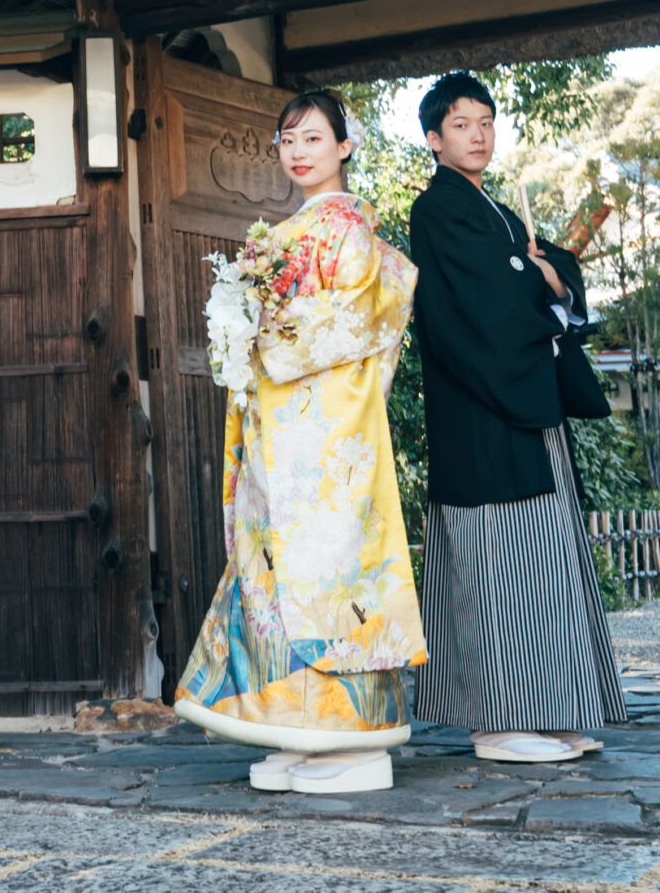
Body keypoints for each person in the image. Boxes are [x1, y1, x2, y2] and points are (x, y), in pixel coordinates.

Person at [176, 90, 424, 795]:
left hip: (326, 436)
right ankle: (294, 727)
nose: (298, 151)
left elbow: (348, 324)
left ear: (345, 146)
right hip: (280, 430)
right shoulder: (283, 234)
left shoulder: (349, 229)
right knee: (274, 570)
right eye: (287, 139)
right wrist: (240, 333)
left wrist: (261, 336)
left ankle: (353, 734)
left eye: (313, 137)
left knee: (331, 572)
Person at [408, 70, 624, 765]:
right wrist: (544, 279)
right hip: (478, 408)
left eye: (486, 122)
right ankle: (494, 722)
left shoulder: (494, 211)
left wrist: (549, 275)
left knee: (540, 564)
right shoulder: (436, 211)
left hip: (523, 401)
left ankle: (544, 708)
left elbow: (545, 272)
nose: (478, 135)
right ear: (434, 139)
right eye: (461, 124)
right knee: (493, 564)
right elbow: (489, 300)